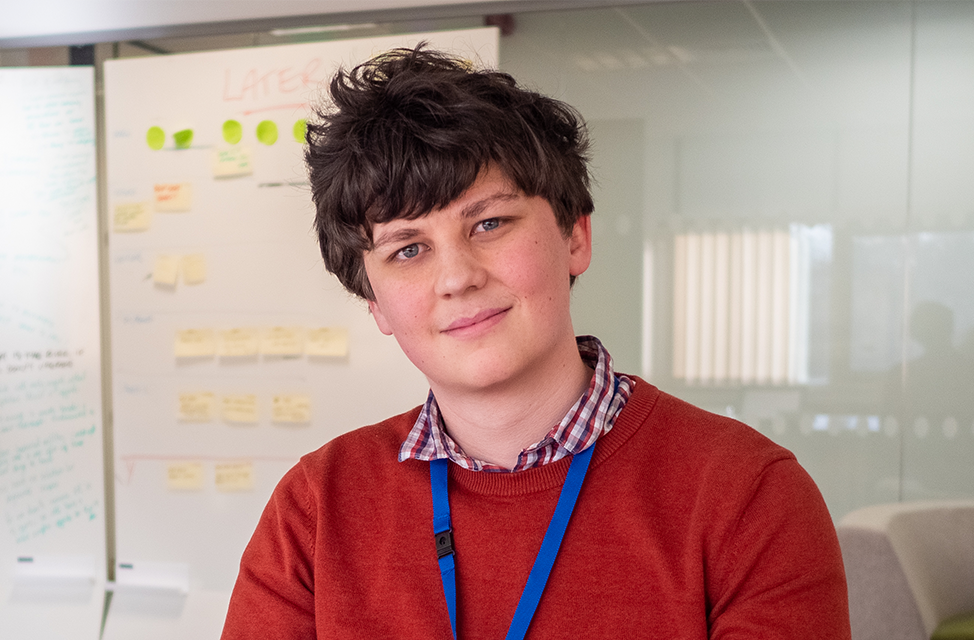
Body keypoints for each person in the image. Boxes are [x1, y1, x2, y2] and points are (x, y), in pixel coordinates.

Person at [221, 46, 849, 640]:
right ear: (373, 301)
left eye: (489, 223)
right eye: (408, 249)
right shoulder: (315, 510)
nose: (457, 277)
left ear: (575, 236)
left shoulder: (747, 495)